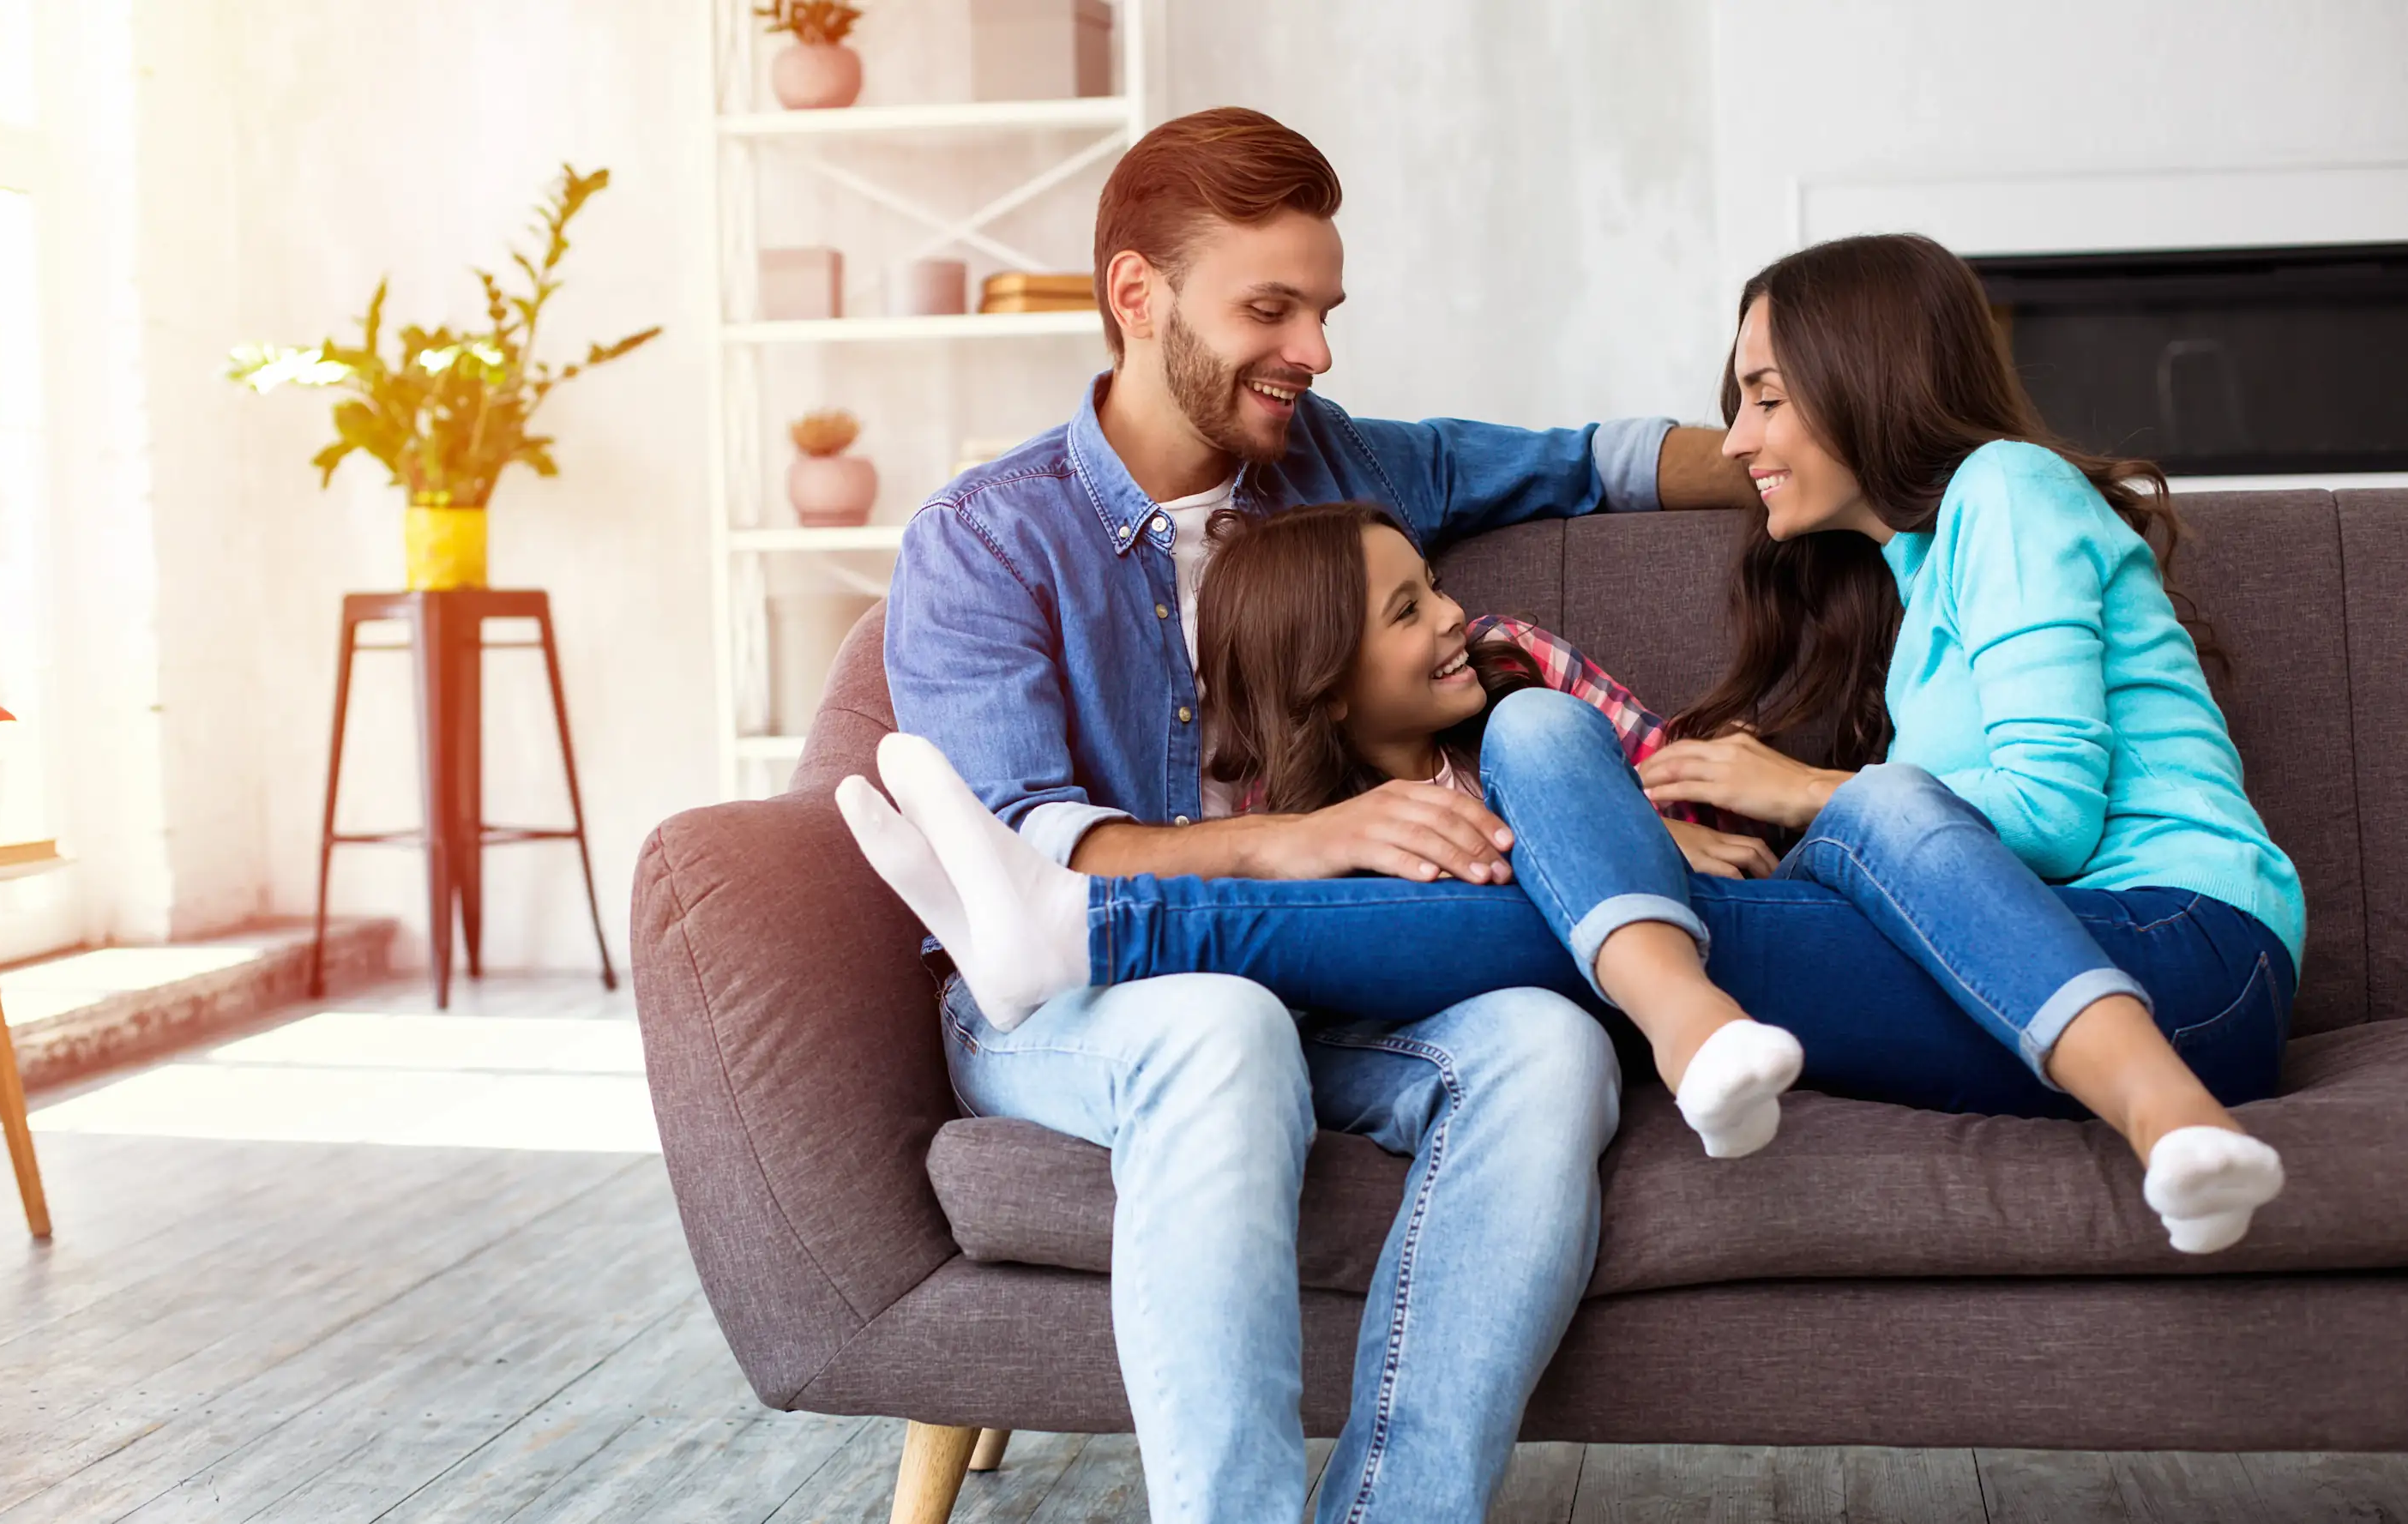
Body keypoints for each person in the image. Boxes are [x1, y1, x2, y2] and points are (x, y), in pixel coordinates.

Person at [850, 232, 2301, 1266]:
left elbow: (2037, 820)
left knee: (1816, 833)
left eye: (1766, 397)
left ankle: (1104, 923)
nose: (1735, 440)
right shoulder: (1917, 578)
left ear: (1865, 383)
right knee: (1593, 865)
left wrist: (1795, 793)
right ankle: (1108, 922)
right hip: (2020, 982)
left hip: (2175, 950)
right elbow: (1585, 470)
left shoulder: (2006, 492)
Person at [875, 105, 1762, 1524]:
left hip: (1326, 988)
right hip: (1077, 1004)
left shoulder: (1342, 465)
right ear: (1135, 297)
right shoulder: (988, 539)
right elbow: (1031, 848)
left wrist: (1879, 458)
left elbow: (1596, 458)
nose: (1316, 351)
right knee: (1216, 1026)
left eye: (1325, 308)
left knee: (1546, 1046)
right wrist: (1300, 840)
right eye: (1269, 308)